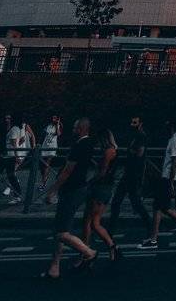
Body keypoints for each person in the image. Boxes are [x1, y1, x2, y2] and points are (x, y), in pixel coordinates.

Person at [42, 118, 101, 278]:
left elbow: (67, 171)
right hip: (79, 187)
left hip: (71, 189)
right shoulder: (89, 144)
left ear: (81, 129)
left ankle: (89, 252)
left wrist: (52, 191)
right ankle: (54, 267)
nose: (73, 130)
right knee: (61, 229)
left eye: (75, 128)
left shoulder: (79, 145)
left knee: (60, 232)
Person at [140, 120, 176, 248]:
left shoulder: (174, 140)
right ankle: (154, 238)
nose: (165, 128)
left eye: (167, 126)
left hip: (168, 178)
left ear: (172, 127)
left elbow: (174, 161)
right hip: (167, 177)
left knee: (160, 206)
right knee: (160, 206)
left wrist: (172, 181)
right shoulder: (175, 139)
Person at [81, 128, 121, 262]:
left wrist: (89, 183)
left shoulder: (108, 151)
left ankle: (87, 251)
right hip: (106, 187)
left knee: (89, 221)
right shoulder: (113, 150)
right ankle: (111, 247)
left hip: (100, 187)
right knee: (94, 222)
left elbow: (102, 172)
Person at [108, 116, 153, 234]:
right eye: (132, 122)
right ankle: (110, 230)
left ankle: (150, 226)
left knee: (130, 203)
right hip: (129, 174)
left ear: (140, 124)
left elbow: (140, 153)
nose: (132, 125)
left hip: (133, 175)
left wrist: (130, 151)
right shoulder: (135, 136)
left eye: (135, 123)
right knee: (121, 202)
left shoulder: (141, 136)